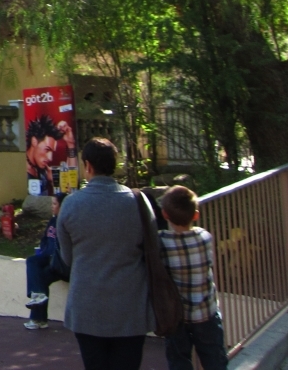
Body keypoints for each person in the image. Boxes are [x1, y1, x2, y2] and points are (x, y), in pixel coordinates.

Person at [57, 138, 152, 370]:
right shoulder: (137, 202)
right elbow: (152, 249)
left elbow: (67, 258)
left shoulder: (71, 205)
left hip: (87, 307)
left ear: (87, 165)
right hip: (130, 306)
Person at [158, 186, 227, 370]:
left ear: (165, 215)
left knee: (179, 360)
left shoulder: (162, 241)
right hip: (206, 313)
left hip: (177, 316)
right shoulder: (205, 237)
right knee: (215, 359)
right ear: (195, 215)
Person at [24, 192, 67, 329]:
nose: (52, 207)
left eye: (55, 204)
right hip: (48, 258)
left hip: (62, 264)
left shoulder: (67, 222)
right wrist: (42, 249)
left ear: (63, 206)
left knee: (38, 273)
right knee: (33, 264)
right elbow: (45, 239)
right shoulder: (52, 220)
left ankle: (37, 319)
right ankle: (39, 315)